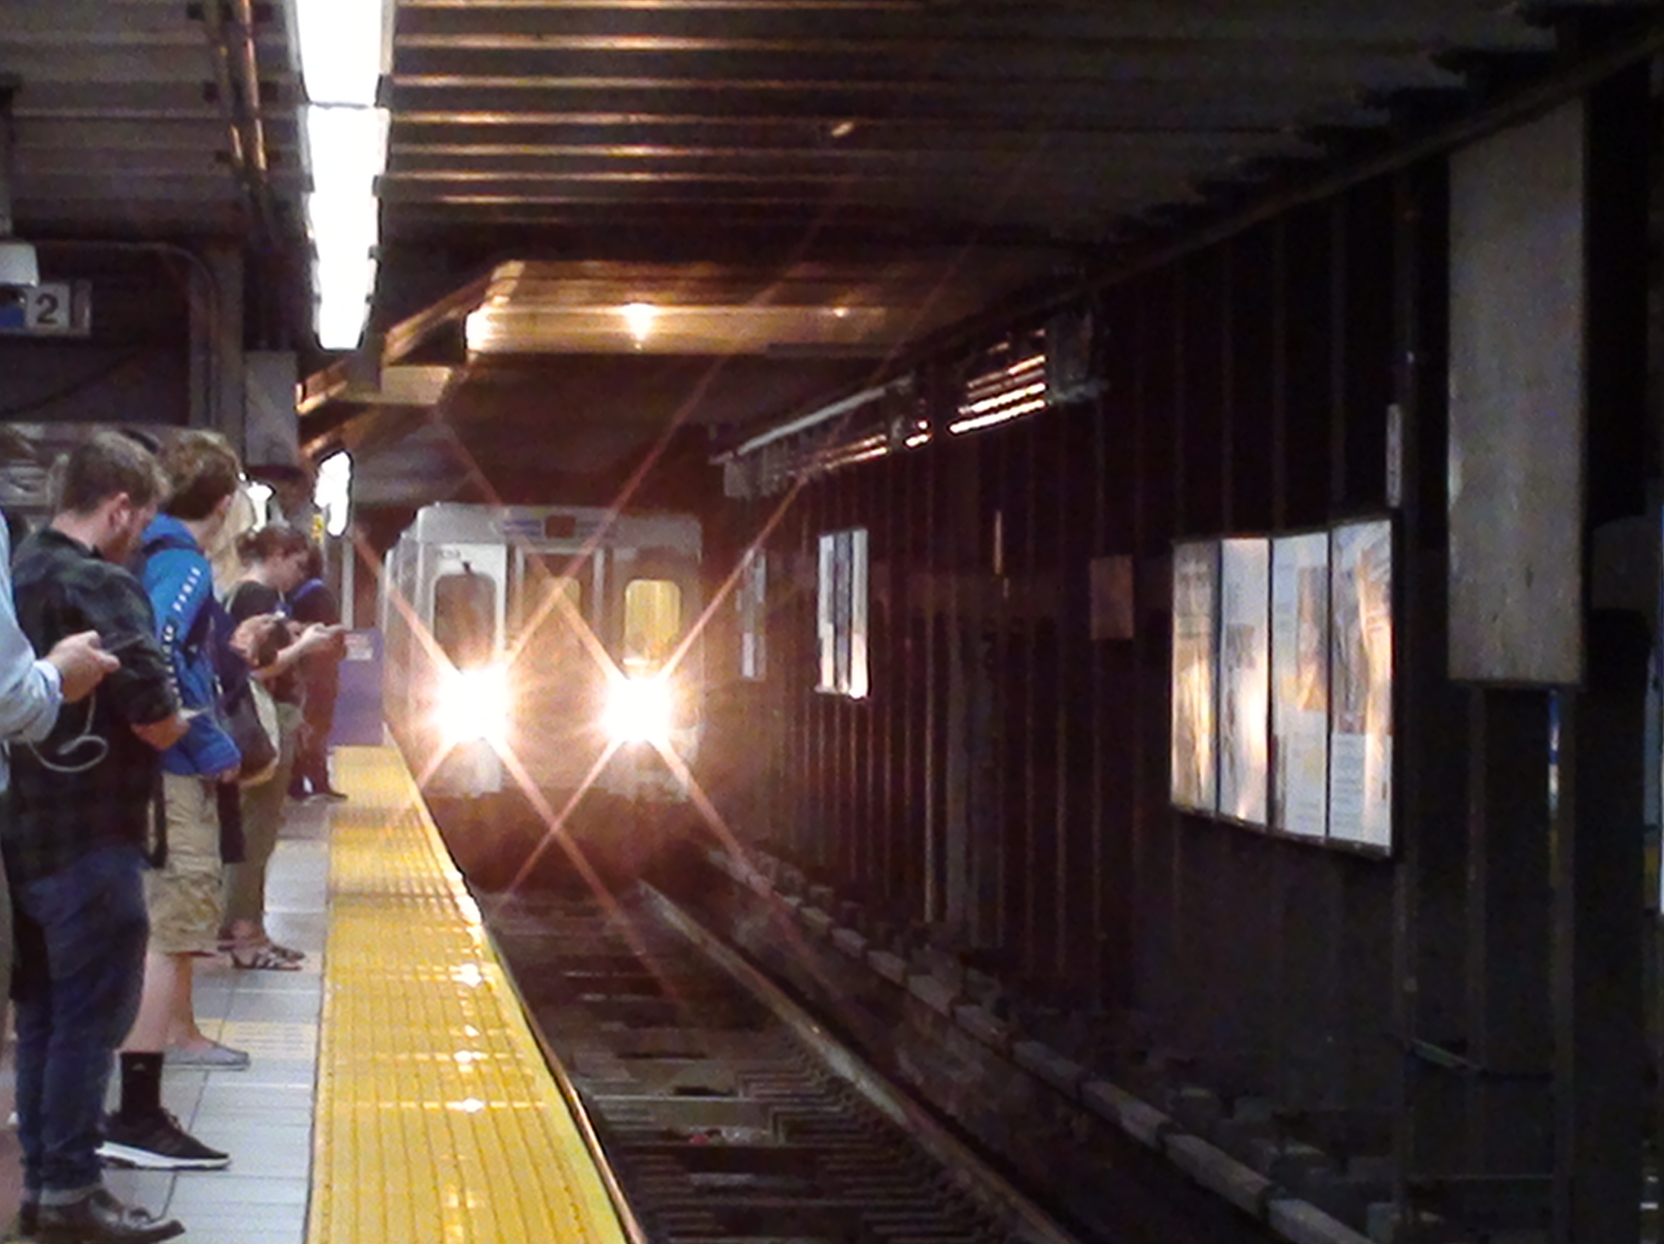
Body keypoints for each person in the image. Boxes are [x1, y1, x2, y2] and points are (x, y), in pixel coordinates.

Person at [6, 430, 199, 1244]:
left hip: (20, 838)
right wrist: (189, 721)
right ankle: (74, 1193)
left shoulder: (17, 570)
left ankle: (44, 1189)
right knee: (91, 1022)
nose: (139, 538)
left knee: (43, 1019)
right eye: (142, 521)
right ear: (121, 508)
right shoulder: (103, 585)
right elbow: (154, 717)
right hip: (94, 836)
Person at [99, 431, 250, 1176]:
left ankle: (111, 1104)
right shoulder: (183, 563)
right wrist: (201, 738)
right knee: (173, 928)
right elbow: (157, 646)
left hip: (138, 770)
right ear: (222, 506)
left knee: (152, 927)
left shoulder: (136, 550)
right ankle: (136, 1114)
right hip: (172, 770)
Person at [220, 524, 339, 969]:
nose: (297, 575)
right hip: (264, 719)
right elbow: (256, 668)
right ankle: (244, 934)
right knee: (258, 830)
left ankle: (248, 928)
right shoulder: (258, 597)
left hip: (262, 717)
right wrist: (304, 645)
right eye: (295, 563)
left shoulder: (239, 593)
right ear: (275, 555)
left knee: (255, 829)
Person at [286, 542, 346, 800]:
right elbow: (333, 639)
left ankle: (298, 782)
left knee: (304, 729)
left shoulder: (292, 596)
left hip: (299, 673)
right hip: (319, 676)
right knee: (315, 729)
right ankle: (316, 782)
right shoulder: (320, 595)